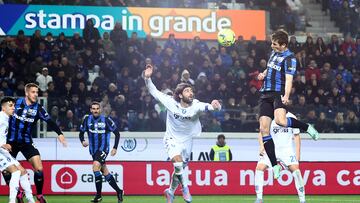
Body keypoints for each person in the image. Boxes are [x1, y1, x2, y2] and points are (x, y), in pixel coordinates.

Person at [143, 64, 221, 203]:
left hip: (187, 140)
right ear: (180, 95)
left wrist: (216, 105)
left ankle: (170, 192)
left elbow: (210, 107)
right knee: (178, 164)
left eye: (191, 91)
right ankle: (185, 188)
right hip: (171, 138)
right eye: (187, 91)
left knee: (178, 170)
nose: (190, 93)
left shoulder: (196, 105)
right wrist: (147, 78)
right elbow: (153, 91)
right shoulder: (170, 102)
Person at [257, 30, 319, 179]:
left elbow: (289, 79)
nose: (272, 46)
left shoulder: (290, 58)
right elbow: (271, 67)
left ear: (283, 45)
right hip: (265, 93)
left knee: (281, 121)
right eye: (272, 43)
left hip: (278, 92)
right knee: (263, 129)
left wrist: (286, 96)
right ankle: (274, 165)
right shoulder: (273, 54)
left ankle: (307, 127)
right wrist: (263, 74)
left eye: (275, 44)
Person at [2, 83, 67, 203]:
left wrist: (60, 133)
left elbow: (50, 121)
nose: (36, 95)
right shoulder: (15, 103)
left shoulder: (38, 108)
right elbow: (3, 111)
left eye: (37, 92)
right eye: (33, 92)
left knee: (39, 169)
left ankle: (39, 195)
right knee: (6, 171)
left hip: (27, 142)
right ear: (27, 93)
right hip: (10, 143)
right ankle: (18, 193)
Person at [254, 112, 306, 203]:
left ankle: (302, 200)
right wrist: (261, 146)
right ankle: (259, 198)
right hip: (271, 148)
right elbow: (261, 132)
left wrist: (298, 154)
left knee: (296, 171)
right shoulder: (269, 115)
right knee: (259, 168)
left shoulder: (291, 117)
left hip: (287, 150)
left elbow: (297, 136)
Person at [79, 101, 123, 203]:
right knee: (105, 172)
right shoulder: (86, 120)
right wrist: (82, 141)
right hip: (93, 151)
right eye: (93, 109)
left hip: (103, 149)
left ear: (100, 110)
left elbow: (117, 134)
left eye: (97, 109)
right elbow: (81, 133)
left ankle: (98, 196)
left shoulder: (106, 120)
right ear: (91, 110)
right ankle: (119, 191)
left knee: (95, 167)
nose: (95, 110)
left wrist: (115, 148)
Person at [0, 97, 35, 203]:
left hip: (3, 152)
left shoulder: (7, 118)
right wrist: (2, 145)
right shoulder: (1, 118)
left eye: (14, 105)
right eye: (10, 106)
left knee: (23, 172)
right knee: (15, 172)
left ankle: (30, 199)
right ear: (3, 108)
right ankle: (12, 201)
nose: (13, 108)